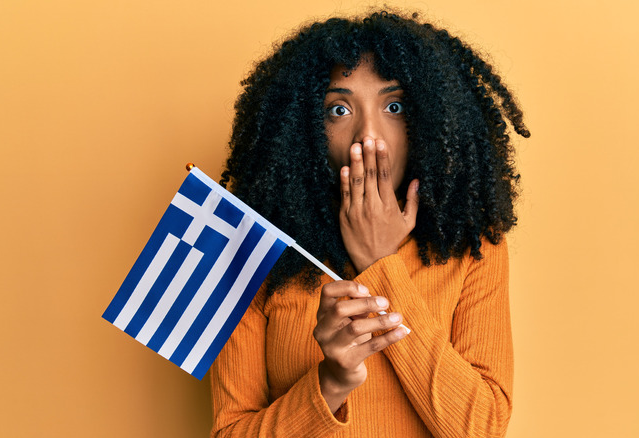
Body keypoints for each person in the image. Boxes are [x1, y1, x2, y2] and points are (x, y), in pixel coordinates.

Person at [210, 10, 530, 438]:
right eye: (338, 109)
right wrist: (330, 384)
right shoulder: (251, 253)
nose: (369, 136)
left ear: (429, 121)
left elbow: (481, 428)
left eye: (394, 107)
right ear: (301, 129)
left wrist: (381, 265)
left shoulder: (473, 247)